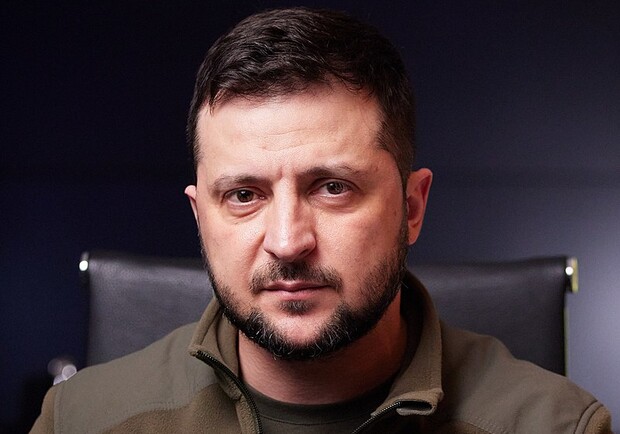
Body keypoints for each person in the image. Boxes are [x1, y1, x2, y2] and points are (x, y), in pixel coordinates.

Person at [32, 7, 611, 433]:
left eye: (333, 188)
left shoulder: (558, 425)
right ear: (200, 216)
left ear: (412, 208)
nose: (287, 242)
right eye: (243, 195)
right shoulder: (80, 420)